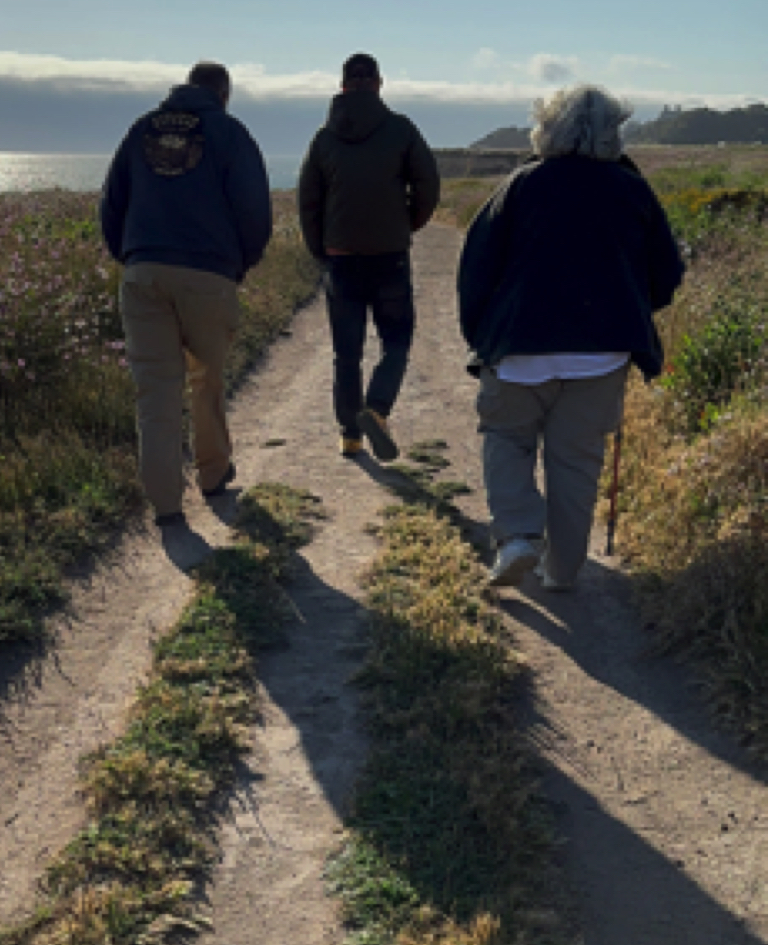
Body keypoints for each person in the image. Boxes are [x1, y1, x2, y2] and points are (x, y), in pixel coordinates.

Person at [457, 84, 684, 589]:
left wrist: (482, 336)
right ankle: (562, 570)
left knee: (507, 439)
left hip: (517, 349)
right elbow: (665, 274)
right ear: (612, 132)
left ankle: (517, 537)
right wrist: (629, 315)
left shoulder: (519, 185)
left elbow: (476, 269)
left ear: (547, 127)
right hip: (601, 355)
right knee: (576, 461)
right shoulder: (633, 190)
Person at [100, 62, 272, 527]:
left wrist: (132, 257)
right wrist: (238, 266)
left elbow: (111, 203)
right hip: (208, 276)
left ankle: (166, 506)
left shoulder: (140, 131)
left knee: (154, 391)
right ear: (224, 94)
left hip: (143, 272)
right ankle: (213, 475)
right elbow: (255, 210)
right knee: (206, 380)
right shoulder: (230, 133)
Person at [298, 53, 440, 461]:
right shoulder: (401, 130)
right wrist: (406, 223)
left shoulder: (323, 140)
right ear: (379, 83)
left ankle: (350, 435)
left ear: (343, 86)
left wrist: (320, 249)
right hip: (390, 256)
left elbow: (308, 202)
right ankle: (376, 409)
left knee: (347, 351)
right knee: (396, 340)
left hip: (341, 259)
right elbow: (428, 184)